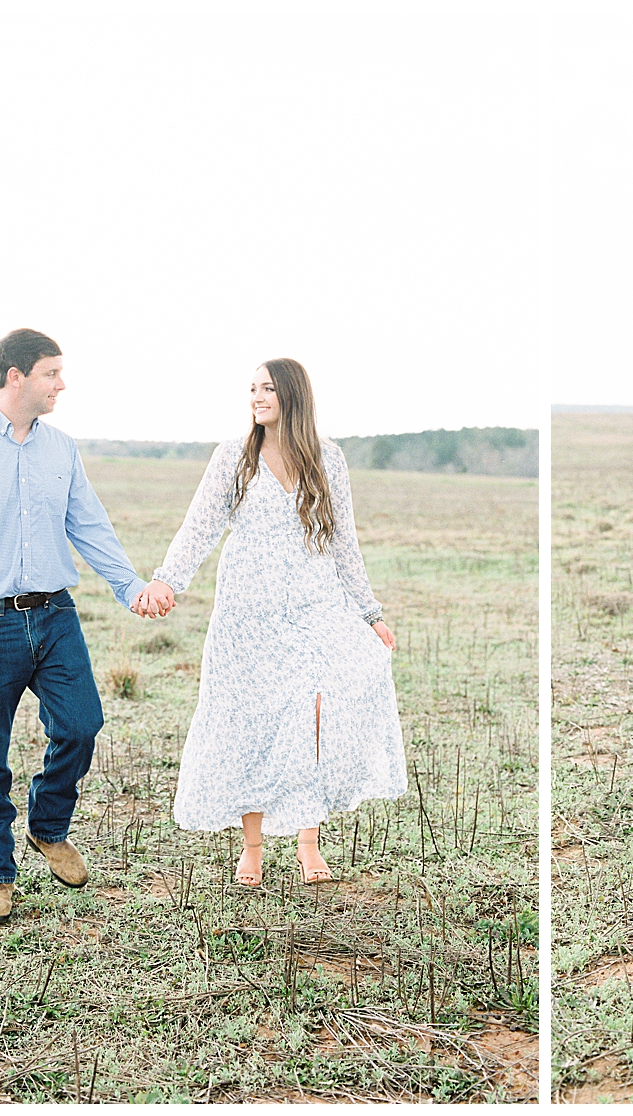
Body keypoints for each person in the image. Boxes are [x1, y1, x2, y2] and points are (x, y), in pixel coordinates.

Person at [0, 329, 153, 923]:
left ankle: (48, 825)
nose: (61, 384)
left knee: (83, 725)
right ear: (15, 376)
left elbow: (88, 524)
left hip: (55, 613)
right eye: (51, 373)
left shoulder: (61, 448)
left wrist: (131, 586)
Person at [135, 358, 406, 888]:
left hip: (316, 605)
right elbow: (200, 528)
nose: (256, 397)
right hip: (247, 611)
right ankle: (252, 848)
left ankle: (309, 844)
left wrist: (369, 613)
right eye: (251, 389)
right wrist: (168, 580)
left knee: (312, 715)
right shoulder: (234, 458)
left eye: (267, 388)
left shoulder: (329, 460)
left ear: (292, 396)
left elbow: (344, 542)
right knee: (250, 718)